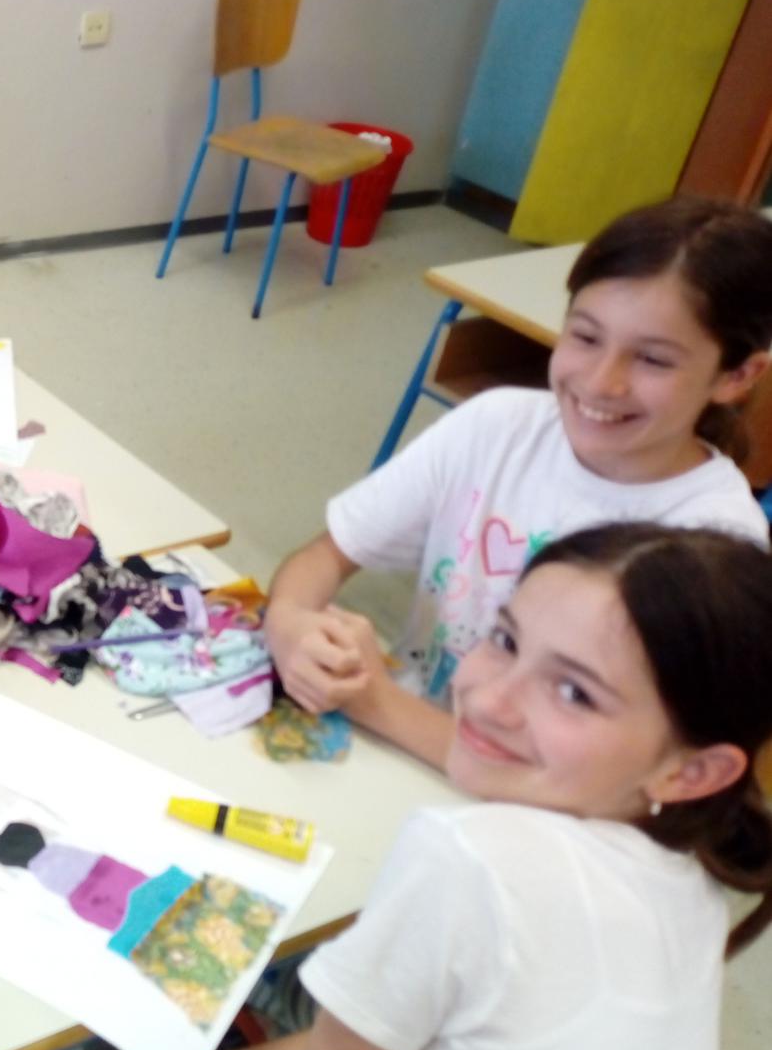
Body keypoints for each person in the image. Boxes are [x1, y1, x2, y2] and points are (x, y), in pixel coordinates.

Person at [0, 522, 772, 1050]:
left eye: (575, 693)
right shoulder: (695, 873)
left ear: (692, 770)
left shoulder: (474, 857)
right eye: (504, 639)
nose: (488, 697)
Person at [264, 197, 772, 768]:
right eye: (585, 337)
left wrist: (377, 703)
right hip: (406, 751)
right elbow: (327, 554)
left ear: (738, 375)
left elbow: (599, 784)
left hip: (528, 804)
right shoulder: (497, 424)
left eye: (653, 359)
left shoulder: (715, 545)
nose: (601, 382)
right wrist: (288, 621)